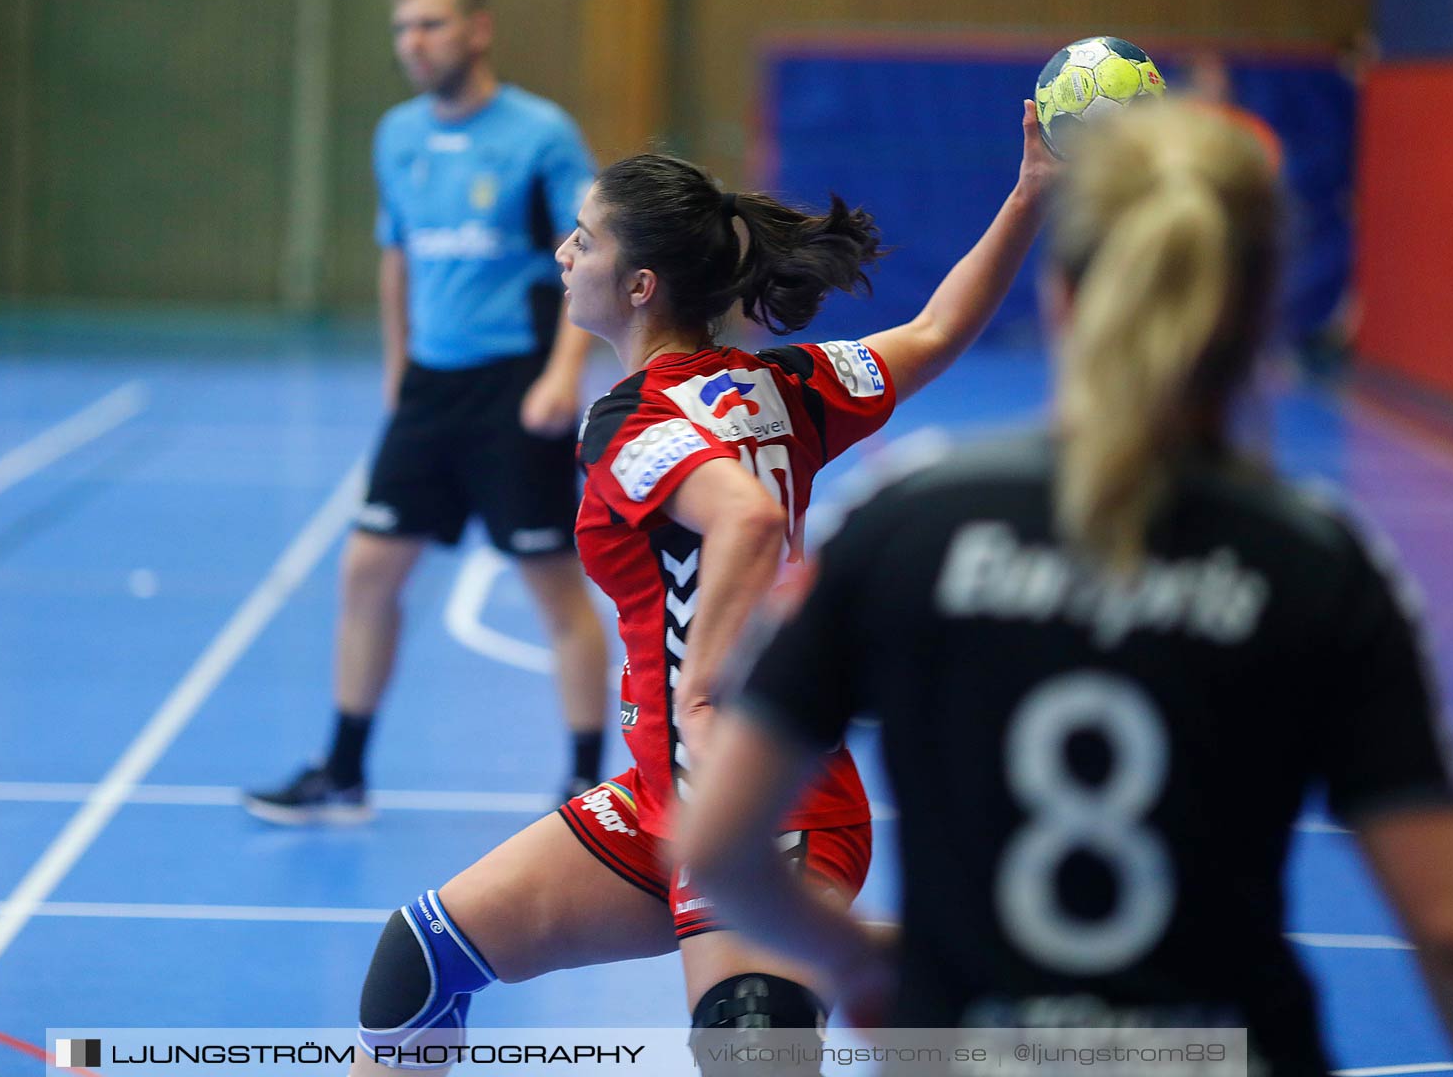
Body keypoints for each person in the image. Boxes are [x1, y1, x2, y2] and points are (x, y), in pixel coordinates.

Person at [678, 102, 1453, 1076]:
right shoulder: (1319, 565)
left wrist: (862, 961)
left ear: (1059, 297)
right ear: (1262, 309)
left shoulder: (901, 527)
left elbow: (718, 848)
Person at [345, 105, 1054, 1075]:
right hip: (654, 805)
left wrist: (705, 681)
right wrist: (1029, 196)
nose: (562, 251)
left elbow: (748, 521)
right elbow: (937, 329)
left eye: (583, 240)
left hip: (768, 809)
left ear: (637, 285)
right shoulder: (784, 388)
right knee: (416, 970)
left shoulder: (630, 422)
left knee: (750, 1050)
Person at [245, 0, 610, 822]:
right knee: (367, 571)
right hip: (430, 392)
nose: (414, 43)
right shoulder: (397, 135)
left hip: (516, 389)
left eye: (432, 25)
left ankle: (588, 784)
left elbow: (595, 251)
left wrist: (565, 371)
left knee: (553, 583)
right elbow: (397, 254)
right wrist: (397, 365)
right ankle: (342, 771)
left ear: (477, 29)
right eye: (403, 28)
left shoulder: (541, 134)